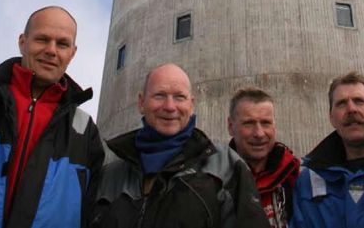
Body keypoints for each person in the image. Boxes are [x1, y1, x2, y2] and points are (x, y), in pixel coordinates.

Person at [91, 63, 269, 228]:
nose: (170, 106)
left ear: (191, 105)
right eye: (159, 95)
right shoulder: (109, 176)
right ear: (141, 102)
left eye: (179, 97)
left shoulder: (224, 167)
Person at [0, 6, 104, 228]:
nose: (51, 50)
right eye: (42, 39)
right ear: (22, 42)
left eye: (62, 44)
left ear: (72, 53)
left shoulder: (85, 131)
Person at [292, 72, 364, 228]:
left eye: (359, 101)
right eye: (341, 103)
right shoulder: (309, 182)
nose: (351, 109)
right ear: (331, 118)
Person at [228, 88, 299, 228]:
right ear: (230, 126)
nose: (259, 133)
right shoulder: (213, 182)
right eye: (249, 123)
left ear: (274, 126)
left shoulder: (296, 177)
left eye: (266, 123)